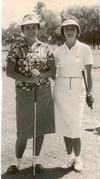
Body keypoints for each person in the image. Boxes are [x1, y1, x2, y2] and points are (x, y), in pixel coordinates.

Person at [6, 13, 55, 174]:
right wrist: (28, 80)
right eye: (27, 27)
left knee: (39, 128)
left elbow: (53, 70)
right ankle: (17, 162)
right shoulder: (15, 47)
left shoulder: (46, 47)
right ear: (23, 29)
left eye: (34, 27)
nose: (31, 30)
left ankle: (36, 161)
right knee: (23, 130)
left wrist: (41, 76)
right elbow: (10, 72)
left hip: (43, 93)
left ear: (38, 29)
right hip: (24, 93)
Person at [53, 15, 94, 172]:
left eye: (72, 28)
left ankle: (78, 159)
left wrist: (89, 93)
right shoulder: (57, 50)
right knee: (64, 126)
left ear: (77, 31)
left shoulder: (85, 48)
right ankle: (70, 157)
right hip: (60, 91)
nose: (69, 31)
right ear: (62, 31)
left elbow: (89, 74)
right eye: (66, 29)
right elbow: (51, 70)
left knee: (75, 126)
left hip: (77, 91)